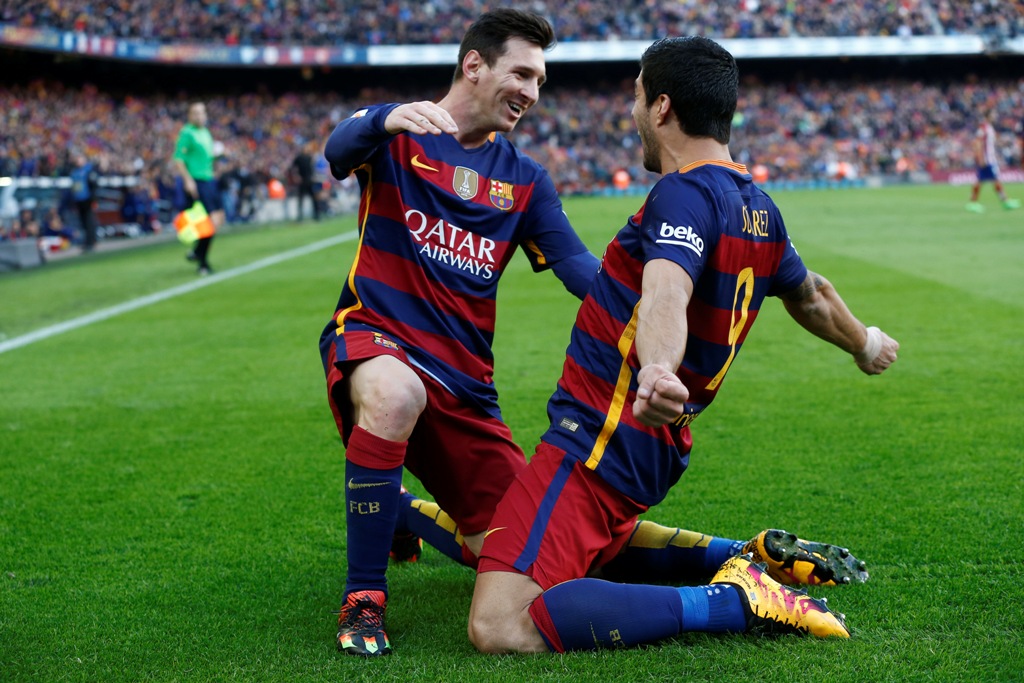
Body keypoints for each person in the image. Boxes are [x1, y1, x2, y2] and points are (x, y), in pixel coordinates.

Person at [467, 36, 900, 654]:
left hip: (601, 436)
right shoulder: (760, 208)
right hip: (650, 444)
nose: (633, 112)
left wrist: (658, 370)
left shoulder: (682, 193)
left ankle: (737, 602)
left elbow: (667, 287)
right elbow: (813, 295)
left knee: (501, 621)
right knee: (555, 535)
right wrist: (865, 343)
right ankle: (743, 557)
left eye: (638, 96)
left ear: (663, 106)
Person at [320, 8, 608, 657]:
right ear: (474, 64)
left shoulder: (525, 180)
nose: (533, 93)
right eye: (523, 73)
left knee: (513, 555)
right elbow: (337, 152)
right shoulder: (400, 134)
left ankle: (396, 509)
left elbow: (578, 269)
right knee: (395, 397)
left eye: (540, 79)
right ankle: (364, 596)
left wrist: (654, 300)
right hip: (378, 338)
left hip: (467, 389)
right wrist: (380, 117)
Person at [172, 102, 225, 275]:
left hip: (209, 180)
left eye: (202, 112)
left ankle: (197, 251)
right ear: (189, 116)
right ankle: (203, 263)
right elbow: (179, 159)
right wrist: (188, 180)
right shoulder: (187, 133)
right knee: (205, 222)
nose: (199, 116)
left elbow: (207, 158)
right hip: (196, 181)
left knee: (218, 219)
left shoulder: (206, 133)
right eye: (195, 113)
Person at [965, 111, 1020, 213]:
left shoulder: (989, 128)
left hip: (989, 158)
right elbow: (977, 143)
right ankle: (1005, 201)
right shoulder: (983, 128)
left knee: (982, 180)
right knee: (994, 179)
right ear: (988, 116)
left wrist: (1002, 143)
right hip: (987, 160)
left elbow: (990, 143)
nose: (995, 116)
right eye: (993, 115)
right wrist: (981, 158)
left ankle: (973, 202)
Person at [69, 152, 100, 251]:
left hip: (88, 199)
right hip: (79, 200)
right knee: (83, 222)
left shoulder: (89, 170)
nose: (77, 161)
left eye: (79, 158)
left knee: (89, 221)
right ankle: (87, 242)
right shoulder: (74, 172)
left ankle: (92, 241)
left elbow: (93, 186)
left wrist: (93, 199)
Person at [290, 140, 321, 222]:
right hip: (302, 180)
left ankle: (316, 215)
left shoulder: (309, 157)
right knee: (301, 199)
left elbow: (313, 168)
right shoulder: (299, 158)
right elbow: (293, 168)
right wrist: (296, 176)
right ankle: (300, 217)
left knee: (313, 198)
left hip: (310, 180)